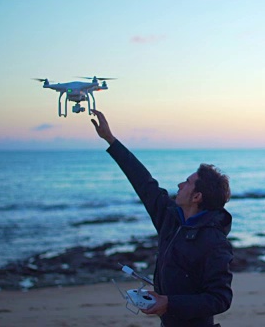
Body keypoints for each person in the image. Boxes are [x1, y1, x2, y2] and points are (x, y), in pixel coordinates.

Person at [91, 109, 233, 327]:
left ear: (197, 197)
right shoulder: (171, 219)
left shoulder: (214, 241)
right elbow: (144, 182)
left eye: (187, 182)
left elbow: (220, 299)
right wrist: (111, 140)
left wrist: (170, 303)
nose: (179, 185)